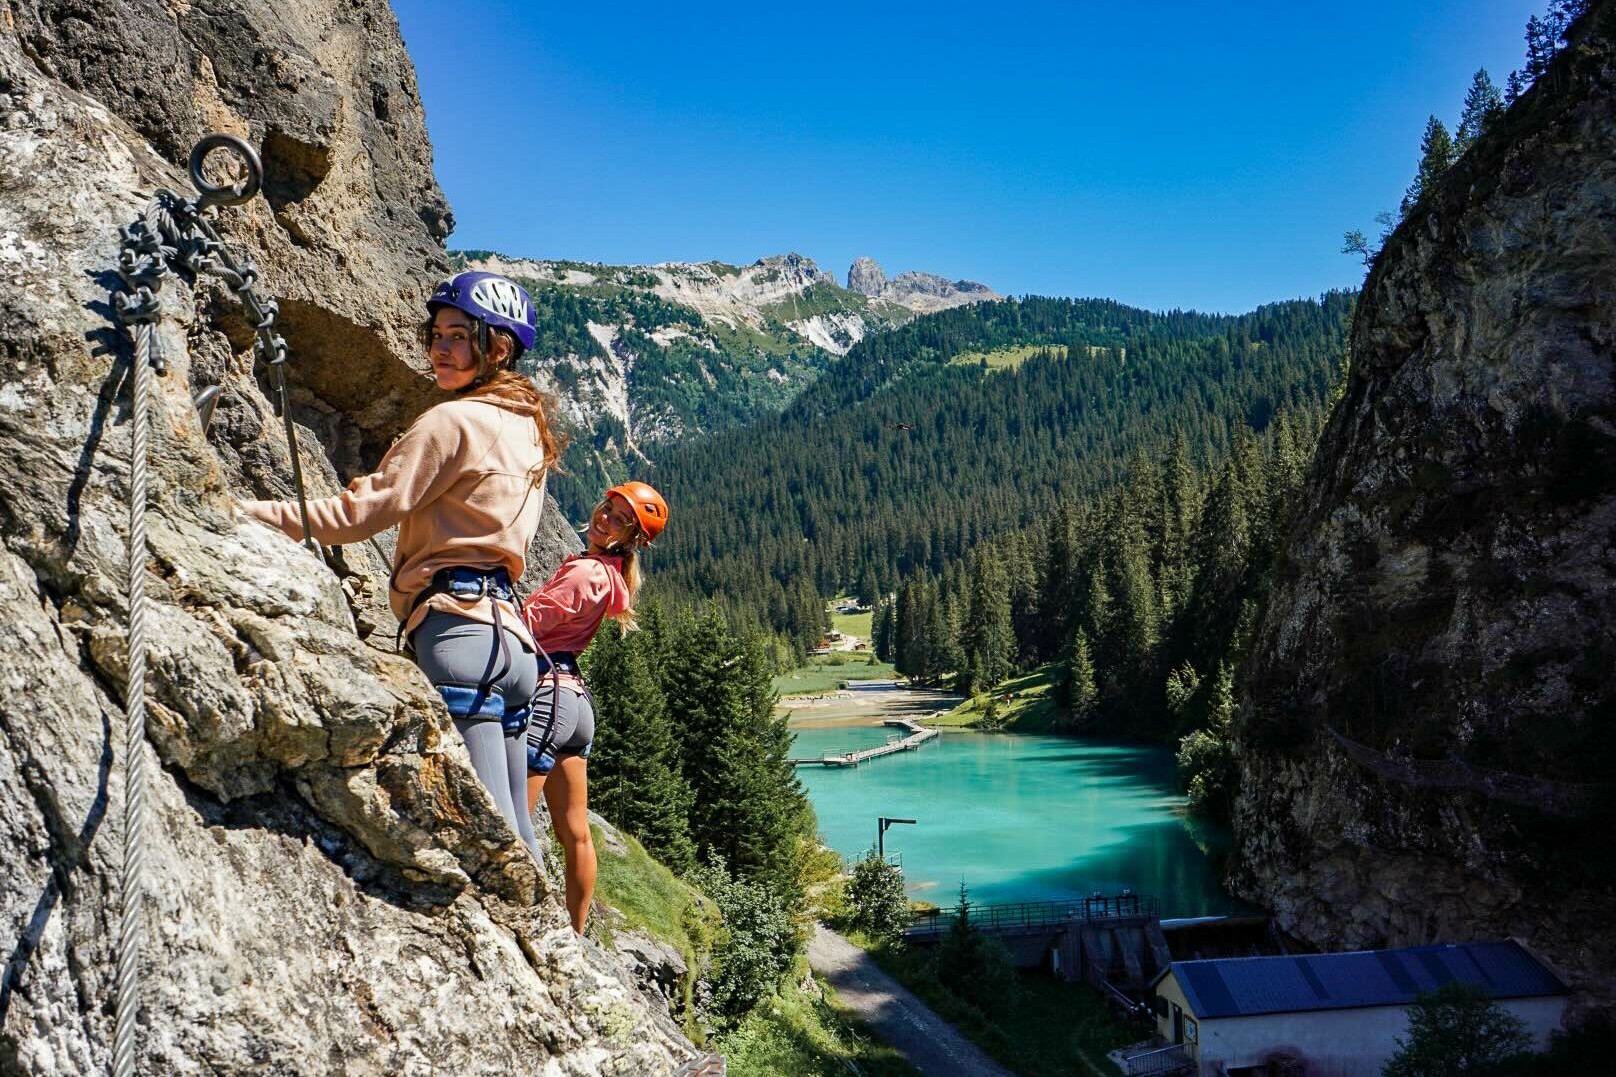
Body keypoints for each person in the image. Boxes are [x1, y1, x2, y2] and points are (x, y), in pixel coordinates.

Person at [240, 271, 563, 867]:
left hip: (461, 634)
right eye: (436, 334)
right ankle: (556, 956)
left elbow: (360, 515)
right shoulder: (526, 429)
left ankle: (537, 957)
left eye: (459, 336)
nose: (441, 348)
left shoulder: (453, 422)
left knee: (492, 840)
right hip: (512, 647)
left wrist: (252, 513)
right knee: (521, 834)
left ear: (496, 346)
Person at [522, 480, 668, 933]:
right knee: (576, 832)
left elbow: (529, 624)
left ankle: (503, 914)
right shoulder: (606, 573)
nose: (605, 517)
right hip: (573, 703)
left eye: (620, 519)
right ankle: (576, 934)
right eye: (609, 507)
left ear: (630, 538)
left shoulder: (587, 573)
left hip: (547, 698)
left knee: (509, 818)